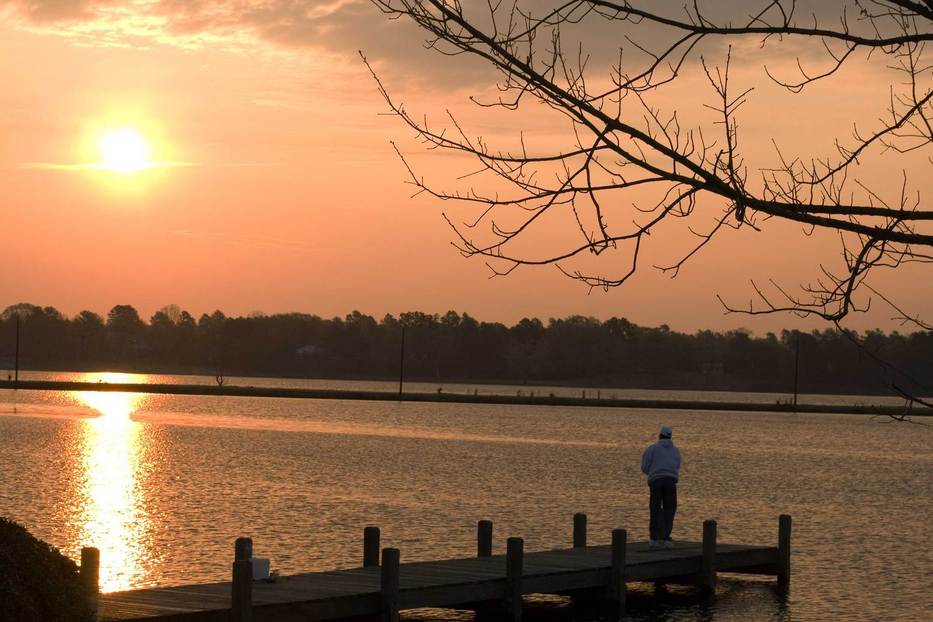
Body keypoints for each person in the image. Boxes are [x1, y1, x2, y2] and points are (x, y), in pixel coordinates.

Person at [641, 425, 681, 550]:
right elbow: (677, 465)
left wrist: (653, 473)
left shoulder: (652, 449)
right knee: (670, 509)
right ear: (670, 436)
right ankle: (666, 538)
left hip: (656, 481)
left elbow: (644, 466)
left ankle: (653, 538)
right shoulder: (676, 451)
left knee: (655, 508)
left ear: (659, 436)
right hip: (670, 481)